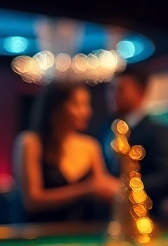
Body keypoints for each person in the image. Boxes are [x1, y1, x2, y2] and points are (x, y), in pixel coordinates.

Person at [13, 82, 119, 222]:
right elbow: (32, 201)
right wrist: (87, 189)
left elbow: (100, 187)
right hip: (40, 231)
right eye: (77, 105)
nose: (87, 112)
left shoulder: (90, 145)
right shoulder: (31, 142)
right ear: (55, 107)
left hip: (84, 230)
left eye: (87, 105)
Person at [107, 71, 168, 204]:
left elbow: (164, 176)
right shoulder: (108, 130)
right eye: (112, 89)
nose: (113, 95)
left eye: (120, 89)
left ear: (140, 92)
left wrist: (122, 188)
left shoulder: (158, 132)